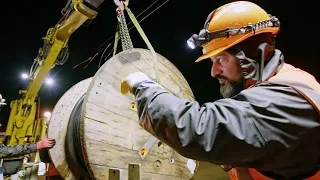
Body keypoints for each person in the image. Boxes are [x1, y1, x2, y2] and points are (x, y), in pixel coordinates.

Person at [121, 1, 320, 180]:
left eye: (222, 59)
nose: (214, 72)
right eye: (212, 61)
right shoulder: (282, 86)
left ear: (253, 57)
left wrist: (145, 88)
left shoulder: (285, 102)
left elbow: (201, 129)